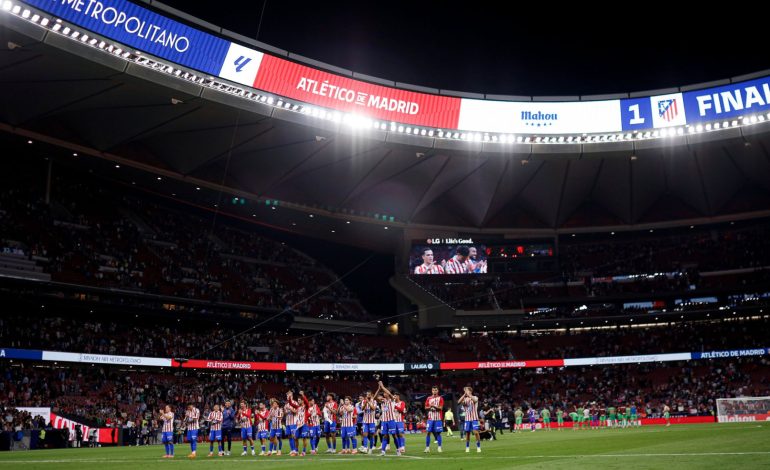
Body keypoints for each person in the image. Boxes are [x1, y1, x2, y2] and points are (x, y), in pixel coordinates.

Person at [459, 386, 481, 452]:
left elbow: (475, 400)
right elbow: (459, 402)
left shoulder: (475, 397)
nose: (465, 392)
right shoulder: (465, 399)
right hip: (467, 419)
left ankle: (478, 447)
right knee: (467, 433)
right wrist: (464, 395)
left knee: (476, 432)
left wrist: (469, 395)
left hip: (474, 418)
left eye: (467, 390)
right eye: (465, 391)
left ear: (470, 391)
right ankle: (467, 447)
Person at [424, 385, 444, 453]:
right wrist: (430, 407)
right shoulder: (428, 398)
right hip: (430, 419)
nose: (434, 391)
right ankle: (427, 448)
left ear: (438, 391)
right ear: (431, 391)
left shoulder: (440, 398)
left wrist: (434, 406)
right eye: (433, 390)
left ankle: (439, 447)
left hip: (438, 419)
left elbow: (441, 408)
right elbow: (425, 407)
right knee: (428, 433)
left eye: (435, 390)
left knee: (438, 433)